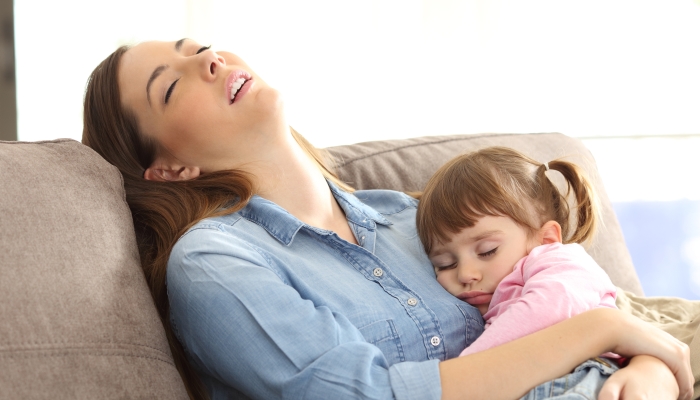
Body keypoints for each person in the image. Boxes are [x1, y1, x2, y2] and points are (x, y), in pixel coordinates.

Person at [81, 39, 692, 400]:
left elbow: (573, 291)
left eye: (198, 48)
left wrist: (650, 370)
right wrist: (598, 332)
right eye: (171, 85)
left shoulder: (419, 220)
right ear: (168, 170)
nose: (209, 59)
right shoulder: (215, 263)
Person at [416, 146, 622, 397]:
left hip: (588, 375)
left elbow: (549, 308)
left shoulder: (560, 259)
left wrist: (466, 369)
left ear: (546, 239)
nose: (465, 274)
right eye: (445, 263)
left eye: (487, 251)